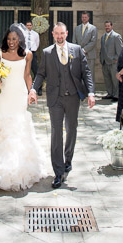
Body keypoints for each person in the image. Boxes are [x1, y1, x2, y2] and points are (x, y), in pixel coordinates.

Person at [0, 24, 51, 191]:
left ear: (20, 40)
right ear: (6, 39)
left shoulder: (28, 54)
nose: (11, 42)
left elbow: (27, 75)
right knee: (3, 125)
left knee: (18, 126)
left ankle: (19, 166)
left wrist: (31, 91)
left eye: (15, 39)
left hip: (19, 94)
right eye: (9, 39)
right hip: (4, 94)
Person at [29, 22, 95, 189]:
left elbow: (86, 71)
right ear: (53, 34)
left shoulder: (77, 50)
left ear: (67, 34)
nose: (59, 36)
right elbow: (41, 73)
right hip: (55, 99)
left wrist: (91, 93)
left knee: (72, 129)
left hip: (73, 97)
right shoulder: (47, 52)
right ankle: (58, 172)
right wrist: (33, 90)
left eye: (62, 33)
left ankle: (68, 160)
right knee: (56, 132)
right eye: (56, 33)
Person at [99, 21, 123, 100]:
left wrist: (116, 59)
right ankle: (110, 93)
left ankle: (116, 95)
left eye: (108, 26)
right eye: (106, 26)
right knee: (107, 79)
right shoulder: (103, 37)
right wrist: (101, 58)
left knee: (115, 79)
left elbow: (119, 50)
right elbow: (102, 49)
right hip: (104, 62)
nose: (107, 27)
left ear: (111, 26)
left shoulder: (116, 36)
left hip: (113, 62)